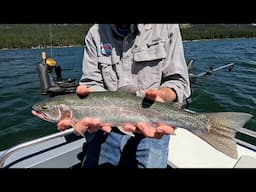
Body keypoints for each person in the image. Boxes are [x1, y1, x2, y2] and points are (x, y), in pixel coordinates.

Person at [57, 24, 191, 168]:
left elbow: (178, 82)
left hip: (153, 129)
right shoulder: (95, 33)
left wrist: (162, 95)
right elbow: (92, 82)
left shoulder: (167, 27)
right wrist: (86, 109)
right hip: (105, 131)